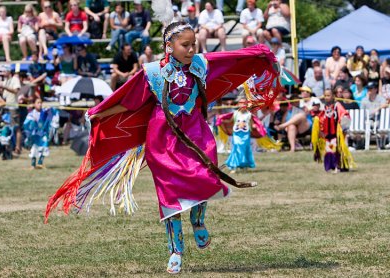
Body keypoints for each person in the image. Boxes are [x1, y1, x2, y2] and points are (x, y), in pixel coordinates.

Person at [45, 17, 280, 275]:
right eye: (185, 45)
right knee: (169, 197)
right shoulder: (153, 72)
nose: (191, 50)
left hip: (197, 133)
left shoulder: (200, 64)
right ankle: (175, 250)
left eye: (194, 44)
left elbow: (230, 60)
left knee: (204, 176)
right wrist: (100, 113)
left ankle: (198, 221)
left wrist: (260, 56)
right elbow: (129, 102)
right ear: (169, 46)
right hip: (163, 138)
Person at [312, 89, 354, 173]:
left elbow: (344, 114)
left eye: (328, 95)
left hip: (336, 132)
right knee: (329, 149)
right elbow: (321, 117)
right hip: (327, 133)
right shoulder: (324, 106)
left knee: (336, 149)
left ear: (333, 96)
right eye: (325, 96)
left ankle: (339, 166)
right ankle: (330, 166)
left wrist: (343, 124)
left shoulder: (337, 105)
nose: (326, 97)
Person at [220, 99, 256, 173]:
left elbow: (252, 124)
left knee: (244, 149)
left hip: (245, 134)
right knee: (236, 147)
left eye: (244, 103)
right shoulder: (235, 113)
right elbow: (230, 121)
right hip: (236, 134)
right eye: (241, 103)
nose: (242, 105)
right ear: (238, 104)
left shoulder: (249, 114)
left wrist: (254, 126)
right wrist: (223, 121)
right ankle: (234, 166)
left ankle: (244, 165)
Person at [23, 98, 54, 169]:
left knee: (44, 147)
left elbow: (51, 116)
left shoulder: (44, 112)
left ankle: (40, 163)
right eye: (38, 103)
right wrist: (33, 122)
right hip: (35, 134)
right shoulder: (31, 114)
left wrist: (50, 110)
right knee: (34, 148)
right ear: (34, 104)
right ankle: (33, 164)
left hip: (43, 133)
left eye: (41, 103)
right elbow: (26, 124)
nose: (40, 104)